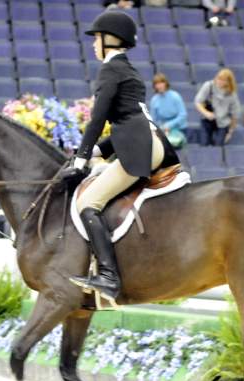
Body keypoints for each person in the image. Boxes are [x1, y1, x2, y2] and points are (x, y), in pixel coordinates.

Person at [60, 10, 180, 305]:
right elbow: (127, 122)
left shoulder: (110, 70)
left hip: (139, 148)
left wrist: (81, 159)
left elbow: (98, 118)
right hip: (149, 142)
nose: (93, 44)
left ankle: (109, 277)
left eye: (96, 38)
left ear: (109, 40)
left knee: (89, 203)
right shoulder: (128, 69)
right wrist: (95, 152)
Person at [195, 69, 241, 147]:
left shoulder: (232, 94)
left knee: (219, 146)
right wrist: (206, 113)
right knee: (204, 144)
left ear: (228, 82)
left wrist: (230, 132)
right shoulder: (208, 86)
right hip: (207, 119)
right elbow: (198, 102)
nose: (220, 82)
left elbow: (235, 115)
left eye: (224, 80)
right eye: (219, 79)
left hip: (223, 122)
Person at [150, 73, 187, 149]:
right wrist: (162, 128)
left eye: (161, 82)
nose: (159, 85)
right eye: (157, 83)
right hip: (162, 129)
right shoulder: (154, 100)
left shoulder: (175, 96)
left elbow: (183, 115)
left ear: (166, 83)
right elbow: (153, 119)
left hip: (178, 128)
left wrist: (169, 125)